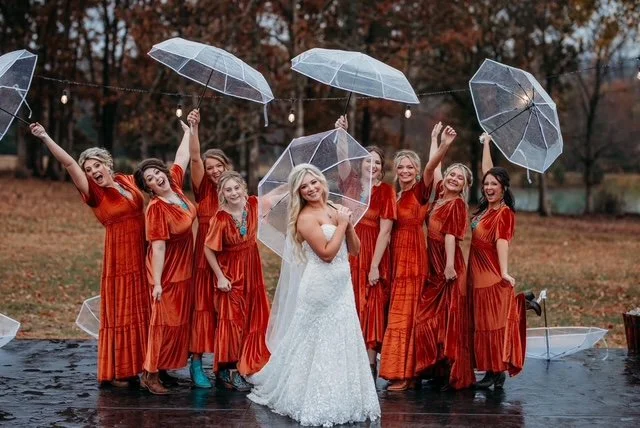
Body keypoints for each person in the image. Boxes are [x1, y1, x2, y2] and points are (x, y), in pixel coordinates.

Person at [247, 164, 380, 427]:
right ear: (298, 192)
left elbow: (355, 250)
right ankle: (306, 392)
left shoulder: (333, 208)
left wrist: (348, 224)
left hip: (342, 286)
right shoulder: (305, 218)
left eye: (313, 182)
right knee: (316, 341)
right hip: (320, 286)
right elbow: (327, 254)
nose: (310, 189)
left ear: (321, 181)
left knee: (341, 337)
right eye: (304, 186)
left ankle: (343, 393)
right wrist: (342, 224)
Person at [30, 123, 149, 388]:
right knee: (123, 312)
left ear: (107, 164)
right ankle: (122, 370)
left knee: (145, 309)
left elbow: (160, 179)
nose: (93, 171)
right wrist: (46, 137)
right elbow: (70, 164)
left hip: (144, 252)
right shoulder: (93, 193)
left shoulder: (127, 180)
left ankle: (147, 365)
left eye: (97, 165)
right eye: (89, 169)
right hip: (120, 257)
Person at [379, 123, 458, 391]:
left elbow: (430, 169)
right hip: (395, 256)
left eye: (409, 167)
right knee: (396, 314)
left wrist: (442, 143)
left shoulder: (420, 191)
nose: (404, 171)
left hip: (413, 257)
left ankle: (407, 373)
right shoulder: (394, 194)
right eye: (400, 167)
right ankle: (399, 369)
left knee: (407, 314)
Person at [469, 133, 540, 389]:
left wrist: (504, 272)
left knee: (492, 323)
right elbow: (488, 171)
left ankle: (494, 371)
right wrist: (487, 143)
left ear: (504, 189)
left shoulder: (503, 213)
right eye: (486, 184)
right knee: (484, 321)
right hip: (474, 271)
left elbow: (502, 242)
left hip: (489, 273)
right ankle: (524, 302)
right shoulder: (487, 207)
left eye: (494, 186)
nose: (489, 187)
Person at [133, 118, 196, 395]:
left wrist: (190, 131)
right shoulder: (157, 209)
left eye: (158, 173)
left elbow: (182, 157)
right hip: (167, 270)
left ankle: (164, 367)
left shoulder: (177, 189)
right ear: (149, 188)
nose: (158, 178)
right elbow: (157, 247)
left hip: (185, 265)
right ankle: (150, 374)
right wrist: (157, 282)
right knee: (162, 322)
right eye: (151, 180)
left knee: (176, 323)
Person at [414, 124, 475, 391]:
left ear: (464, 186)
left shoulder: (457, 204)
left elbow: (451, 235)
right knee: (428, 317)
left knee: (446, 318)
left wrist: (449, 266)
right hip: (433, 262)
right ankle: (436, 367)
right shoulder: (439, 195)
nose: (452, 178)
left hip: (447, 265)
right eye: (452, 174)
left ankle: (450, 370)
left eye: (459, 178)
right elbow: (433, 167)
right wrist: (435, 139)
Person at [335, 115, 396, 378]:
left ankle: (370, 364)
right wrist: (342, 135)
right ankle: (348, 357)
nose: (372, 165)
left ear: (382, 167)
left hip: (372, 252)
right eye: (368, 160)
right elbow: (342, 162)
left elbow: (385, 232)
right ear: (361, 163)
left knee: (371, 304)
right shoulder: (350, 183)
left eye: (377, 162)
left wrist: (374, 266)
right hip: (347, 249)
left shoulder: (386, 192)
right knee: (349, 302)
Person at [203, 171, 271, 391]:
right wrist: (220, 277)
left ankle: (248, 361)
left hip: (252, 268)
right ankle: (228, 369)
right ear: (222, 193)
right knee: (232, 320)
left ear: (243, 187)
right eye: (228, 189)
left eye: (236, 188)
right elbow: (208, 249)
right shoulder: (220, 218)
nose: (233, 193)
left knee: (253, 315)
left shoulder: (252, 205)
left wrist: (296, 180)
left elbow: (277, 194)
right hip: (231, 273)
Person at [186, 109, 234, 388]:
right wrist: (194, 128)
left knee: (225, 314)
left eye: (219, 166)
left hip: (229, 261)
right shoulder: (203, 190)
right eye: (211, 166)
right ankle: (196, 363)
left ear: (228, 167)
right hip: (204, 260)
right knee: (202, 309)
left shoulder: (233, 192)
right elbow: (194, 157)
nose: (215, 171)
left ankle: (225, 365)